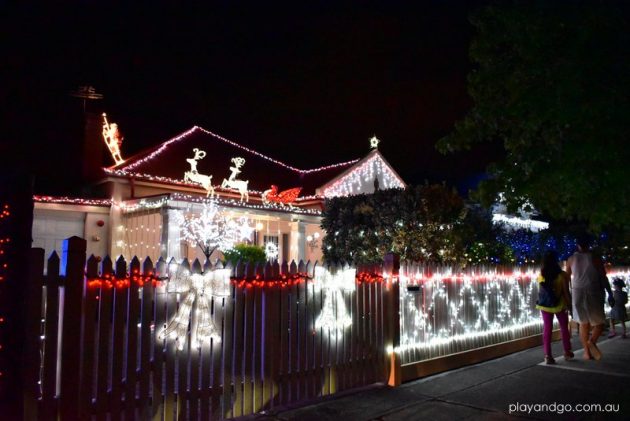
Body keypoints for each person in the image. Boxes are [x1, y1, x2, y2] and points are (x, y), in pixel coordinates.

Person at [566, 236, 614, 360]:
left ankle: (587, 353)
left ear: (578, 245)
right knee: (599, 322)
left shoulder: (570, 259)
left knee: (583, 323)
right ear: (589, 245)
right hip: (592, 291)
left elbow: (566, 279)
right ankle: (592, 342)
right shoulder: (595, 258)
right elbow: (603, 277)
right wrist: (610, 293)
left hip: (577, 292)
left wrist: (568, 296)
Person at [536, 251, 573, 364]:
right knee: (564, 328)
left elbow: (542, 292)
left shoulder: (541, 275)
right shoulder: (562, 275)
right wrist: (570, 306)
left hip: (545, 306)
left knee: (547, 329)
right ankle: (567, 352)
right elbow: (566, 292)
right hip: (560, 305)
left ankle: (548, 356)